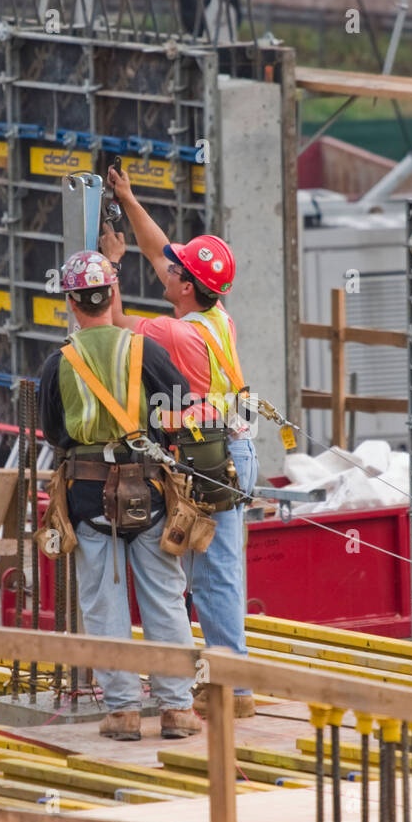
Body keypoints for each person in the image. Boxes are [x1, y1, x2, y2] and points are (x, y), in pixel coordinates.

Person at [100, 166, 259, 719]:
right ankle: (227, 684)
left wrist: (110, 265)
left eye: (175, 271)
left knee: (213, 578)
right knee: (215, 571)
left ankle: (231, 692)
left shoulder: (177, 333)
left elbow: (110, 319)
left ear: (186, 286)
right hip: (226, 451)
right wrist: (127, 197)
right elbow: (160, 248)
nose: (166, 268)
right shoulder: (216, 317)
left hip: (214, 458)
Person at [38, 249, 202, 741]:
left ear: (71, 302)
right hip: (148, 494)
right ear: (112, 294)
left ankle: (123, 712)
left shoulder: (58, 363)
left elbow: (54, 435)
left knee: (103, 605)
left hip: (87, 498)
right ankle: (176, 709)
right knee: (165, 601)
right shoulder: (145, 351)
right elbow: (181, 414)